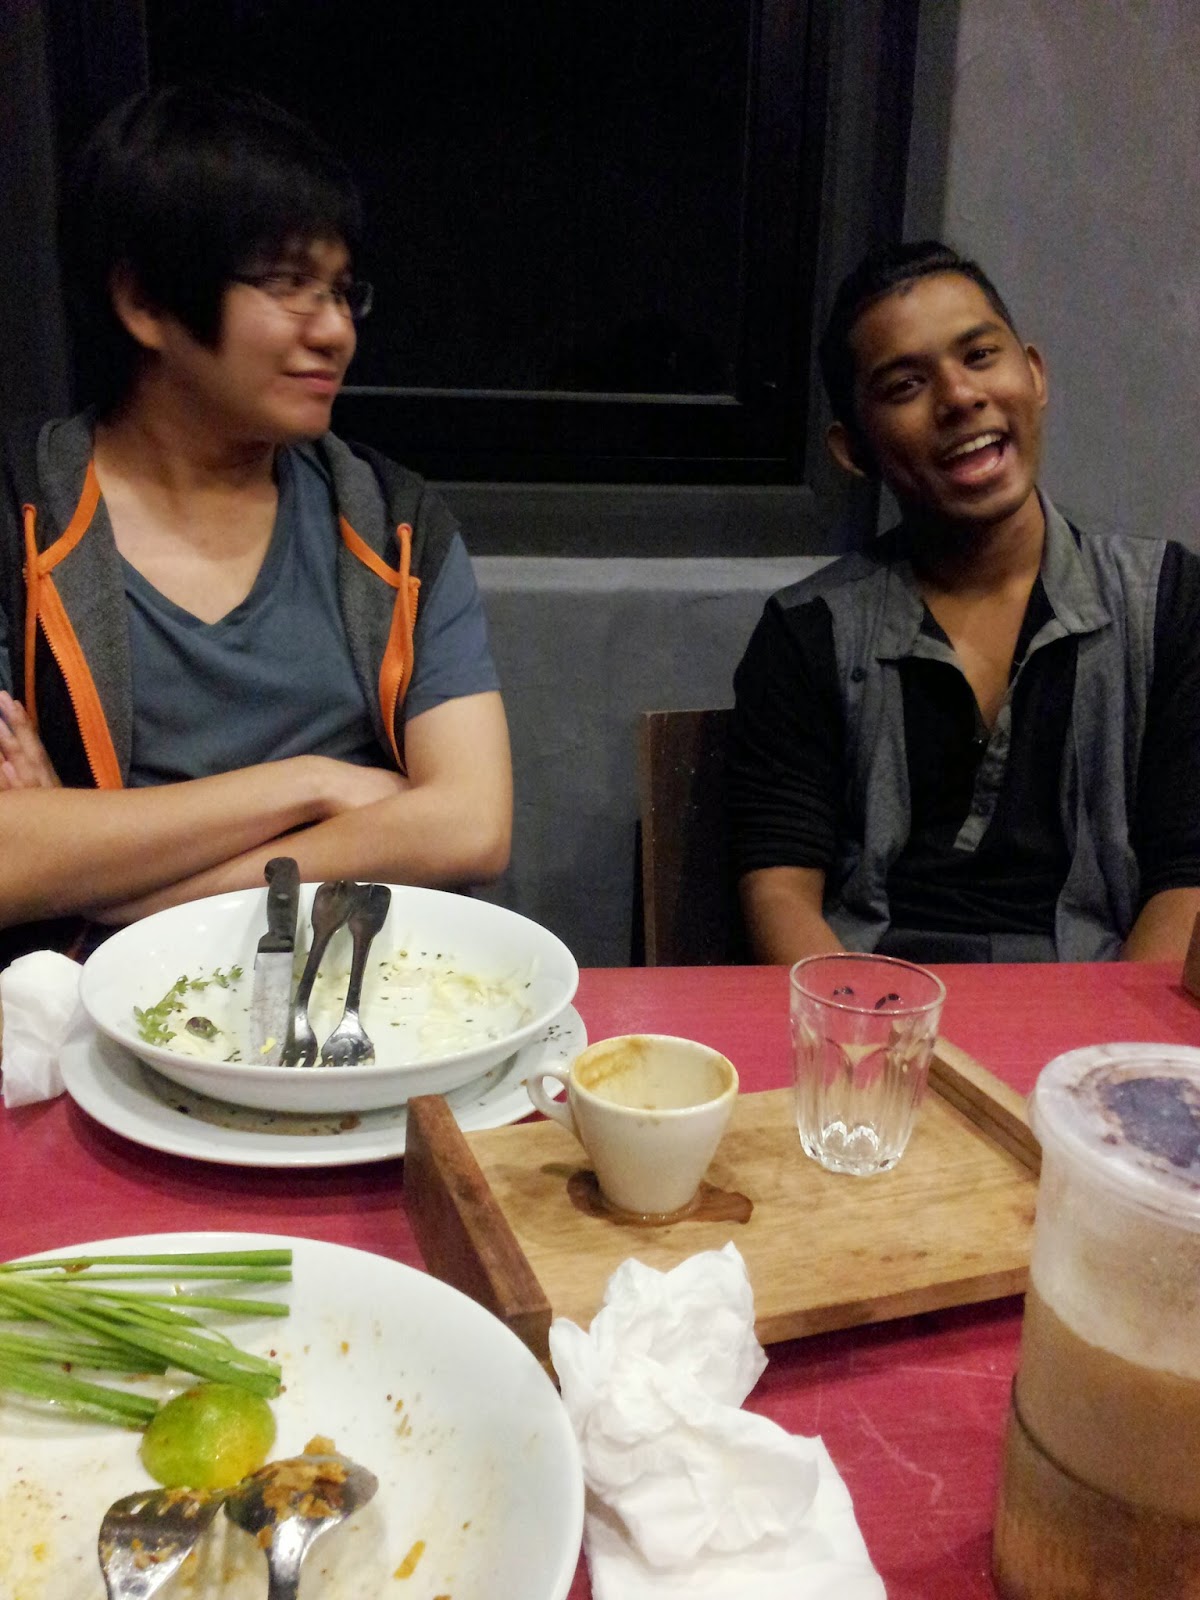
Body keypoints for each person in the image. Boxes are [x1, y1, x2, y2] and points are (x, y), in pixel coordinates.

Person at [0, 85, 511, 965]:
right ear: (145, 302)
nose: (336, 331)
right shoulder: (20, 520)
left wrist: (112, 883)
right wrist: (316, 784)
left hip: (366, 994)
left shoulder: (394, 526)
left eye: (341, 292)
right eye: (287, 286)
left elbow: (471, 824)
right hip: (92, 1014)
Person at [729, 240, 1200, 965]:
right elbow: (780, 893)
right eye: (905, 386)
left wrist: (1111, 1037)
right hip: (874, 1002)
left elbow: (1187, 877)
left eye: (980, 356)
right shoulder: (808, 632)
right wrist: (866, 1029)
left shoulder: (1167, 601)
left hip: (1099, 1006)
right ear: (853, 450)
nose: (959, 396)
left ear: (1034, 374)